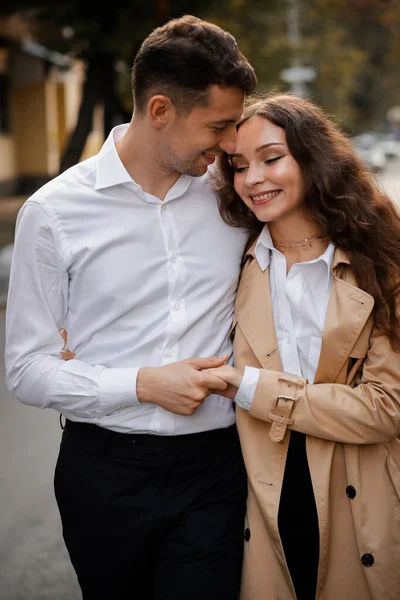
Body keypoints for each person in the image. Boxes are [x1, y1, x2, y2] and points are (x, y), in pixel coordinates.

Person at [4, 15, 257, 600]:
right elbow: (26, 367)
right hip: (105, 473)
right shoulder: (53, 213)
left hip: (216, 469)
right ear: (161, 111)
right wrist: (142, 384)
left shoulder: (235, 194)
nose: (228, 144)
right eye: (217, 126)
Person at [208, 92, 400, 600]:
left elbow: (386, 409)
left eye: (272, 158)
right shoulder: (231, 265)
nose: (253, 179)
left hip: (364, 497)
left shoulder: (380, 263)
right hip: (262, 496)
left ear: (312, 158)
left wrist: (250, 387)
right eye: (239, 165)